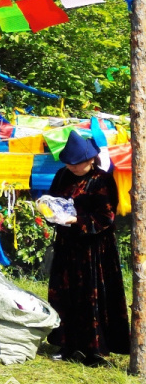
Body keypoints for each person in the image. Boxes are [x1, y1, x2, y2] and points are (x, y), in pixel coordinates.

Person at [47, 131, 130, 366]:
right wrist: (49, 212)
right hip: (66, 247)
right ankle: (67, 345)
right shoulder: (61, 175)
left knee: (91, 297)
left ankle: (96, 350)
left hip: (94, 250)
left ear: (90, 160)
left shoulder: (102, 179)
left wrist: (77, 221)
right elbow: (52, 202)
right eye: (69, 163)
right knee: (66, 295)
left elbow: (106, 217)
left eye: (78, 163)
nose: (73, 167)